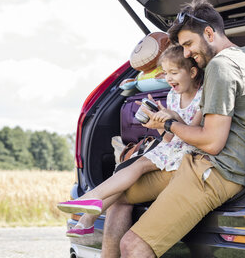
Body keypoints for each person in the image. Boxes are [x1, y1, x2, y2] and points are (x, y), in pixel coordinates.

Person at [101, 0, 245, 258]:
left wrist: (168, 122)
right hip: (197, 162)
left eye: (189, 44)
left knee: (133, 246)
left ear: (210, 33)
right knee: (118, 194)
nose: (186, 54)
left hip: (215, 171)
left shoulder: (221, 67)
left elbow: (212, 142)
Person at [57, 45, 204, 237]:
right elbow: (168, 137)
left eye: (174, 73)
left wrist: (174, 118)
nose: (168, 78)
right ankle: (89, 211)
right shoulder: (172, 95)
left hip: (188, 153)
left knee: (137, 166)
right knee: (130, 167)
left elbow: (195, 134)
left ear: (192, 72)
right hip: (171, 148)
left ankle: (91, 204)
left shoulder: (202, 97)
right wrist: (158, 123)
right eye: (165, 73)